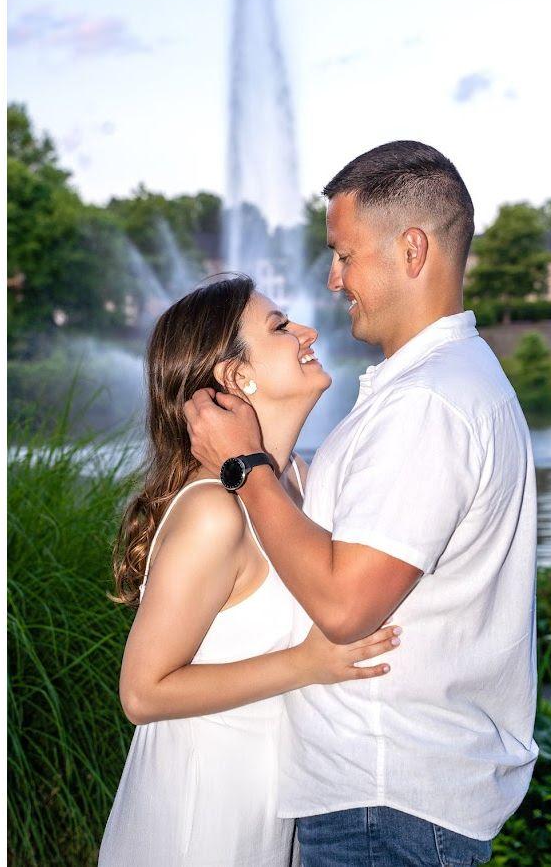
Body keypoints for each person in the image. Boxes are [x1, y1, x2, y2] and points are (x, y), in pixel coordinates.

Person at [184, 141, 539, 867]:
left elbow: (346, 608)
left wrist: (245, 468)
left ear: (412, 249)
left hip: (385, 803)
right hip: (392, 800)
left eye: (344, 255)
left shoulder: (428, 403)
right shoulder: (443, 384)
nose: (334, 279)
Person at [98, 275, 403, 867]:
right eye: (280, 327)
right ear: (237, 377)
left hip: (273, 812)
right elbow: (141, 692)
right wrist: (307, 664)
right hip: (197, 823)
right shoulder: (213, 511)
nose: (309, 332)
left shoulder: (299, 482)